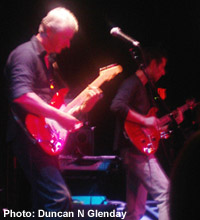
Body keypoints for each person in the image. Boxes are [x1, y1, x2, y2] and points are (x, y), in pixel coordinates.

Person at [4, 7, 102, 218]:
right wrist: (59, 116)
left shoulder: (49, 62)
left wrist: (84, 106)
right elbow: (21, 95)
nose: (67, 44)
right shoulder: (24, 54)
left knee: (43, 201)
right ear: (48, 30)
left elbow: (58, 105)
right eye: (65, 38)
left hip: (41, 138)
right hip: (27, 136)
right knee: (58, 199)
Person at [110, 47, 182, 220]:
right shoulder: (132, 83)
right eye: (162, 67)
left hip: (135, 150)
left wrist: (167, 125)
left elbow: (146, 126)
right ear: (152, 64)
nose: (163, 72)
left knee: (135, 209)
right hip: (135, 151)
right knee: (166, 196)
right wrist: (145, 121)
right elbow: (116, 106)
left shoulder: (145, 89)